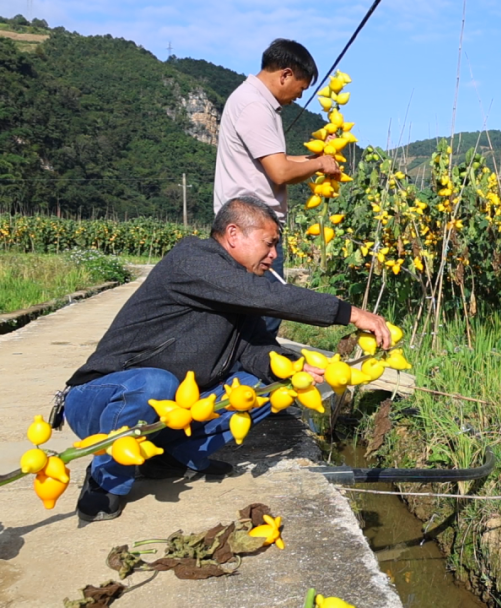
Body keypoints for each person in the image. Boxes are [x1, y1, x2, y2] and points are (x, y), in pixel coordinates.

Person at [62, 196, 390, 523]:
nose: (274, 255)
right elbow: (266, 296)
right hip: (103, 400)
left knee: (275, 383)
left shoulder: (236, 286)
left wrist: (291, 367)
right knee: (155, 383)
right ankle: (106, 478)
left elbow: (254, 350)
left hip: (170, 409)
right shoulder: (193, 260)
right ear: (233, 234)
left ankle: (173, 456)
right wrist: (349, 313)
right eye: (269, 243)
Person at [213, 38, 340, 334]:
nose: (299, 96)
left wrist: (317, 158)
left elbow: (277, 161)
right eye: (301, 87)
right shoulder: (255, 106)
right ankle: (253, 364)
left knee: (246, 313)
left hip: (245, 226)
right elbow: (281, 172)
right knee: (265, 314)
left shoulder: (254, 102)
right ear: (285, 74)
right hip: (252, 230)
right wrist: (319, 165)